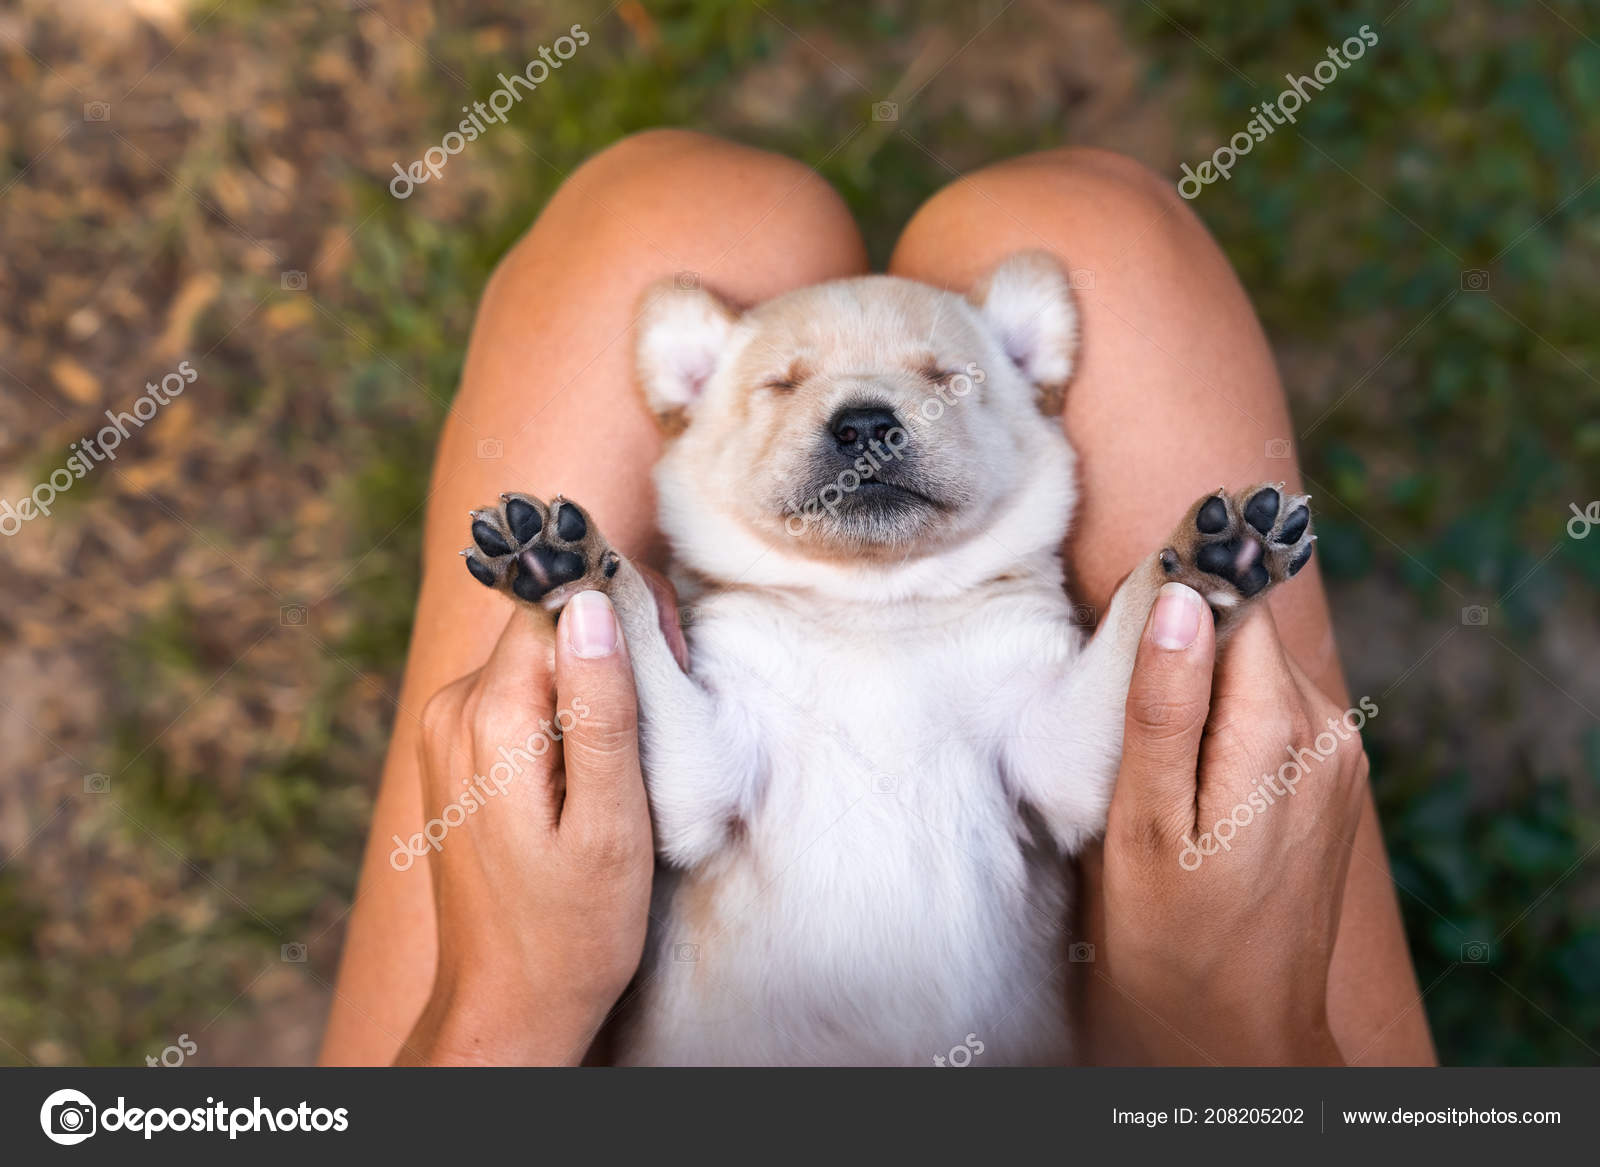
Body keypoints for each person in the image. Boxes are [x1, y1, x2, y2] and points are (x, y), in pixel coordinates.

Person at [318, 131, 1435, 1066]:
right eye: (787, 385)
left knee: (668, 210)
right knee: (1094, 230)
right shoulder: (752, 626)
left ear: (1027, 387)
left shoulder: (1004, 619)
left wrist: (502, 1017)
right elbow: (697, 794)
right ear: (691, 399)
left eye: (943, 381)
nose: (866, 422)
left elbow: (1071, 771)